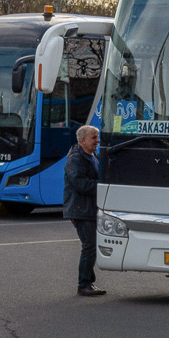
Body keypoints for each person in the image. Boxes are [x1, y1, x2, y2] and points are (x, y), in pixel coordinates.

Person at [64, 124, 105, 297]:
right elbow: (79, 183)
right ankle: (84, 284)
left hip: (89, 209)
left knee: (91, 246)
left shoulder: (93, 156)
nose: (98, 140)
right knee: (89, 246)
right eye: (94, 137)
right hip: (81, 210)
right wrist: (102, 187)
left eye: (97, 137)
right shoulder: (75, 159)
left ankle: (88, 281)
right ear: (83, 140)